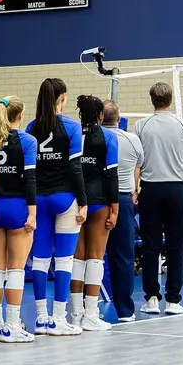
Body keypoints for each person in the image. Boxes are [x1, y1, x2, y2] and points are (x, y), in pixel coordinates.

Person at [27, 78, 87, 336]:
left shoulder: (31, 127)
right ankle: (59, 319)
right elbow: (75, 168)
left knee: (40, 260)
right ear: (62, 99)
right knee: (64, 260)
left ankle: (41, 318)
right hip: (64, 199)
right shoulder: (72, 128)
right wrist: (83, 202)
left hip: (38, 199)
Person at [133, 82, 183, 316]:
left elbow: (137, 163)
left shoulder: (140, 126)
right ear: (170, 99)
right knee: (176, 244)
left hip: (150, 189)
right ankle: (173, 301)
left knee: (150, 245)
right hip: (176, 190)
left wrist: (134, 190)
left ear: (152, 100)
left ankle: (151, 299)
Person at [0, 95, 36, 343]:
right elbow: (30, 179)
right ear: (20, 116)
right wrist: (33, 213)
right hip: (17, 208)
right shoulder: (27, 141)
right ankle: (12, 325)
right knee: (16, 268)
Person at [67, 95, 118, 331]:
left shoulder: (73, 133)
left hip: (75, 201)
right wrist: (115, 208)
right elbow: (111, 175)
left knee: (77, 258)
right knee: (95, 258)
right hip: (99, 202)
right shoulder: (108, 137)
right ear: (100, 116)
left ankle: (75, 313)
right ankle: (91, 314)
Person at [102, 102, 143, 323]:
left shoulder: (92, 137)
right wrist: (134, 190)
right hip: (124, 197)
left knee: (90, 256)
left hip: (97, 201)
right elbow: (138, 166)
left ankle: (87, 309)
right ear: (119, 119)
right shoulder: (132, 139)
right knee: (124, 256)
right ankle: (125, 310)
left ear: (100, 117)